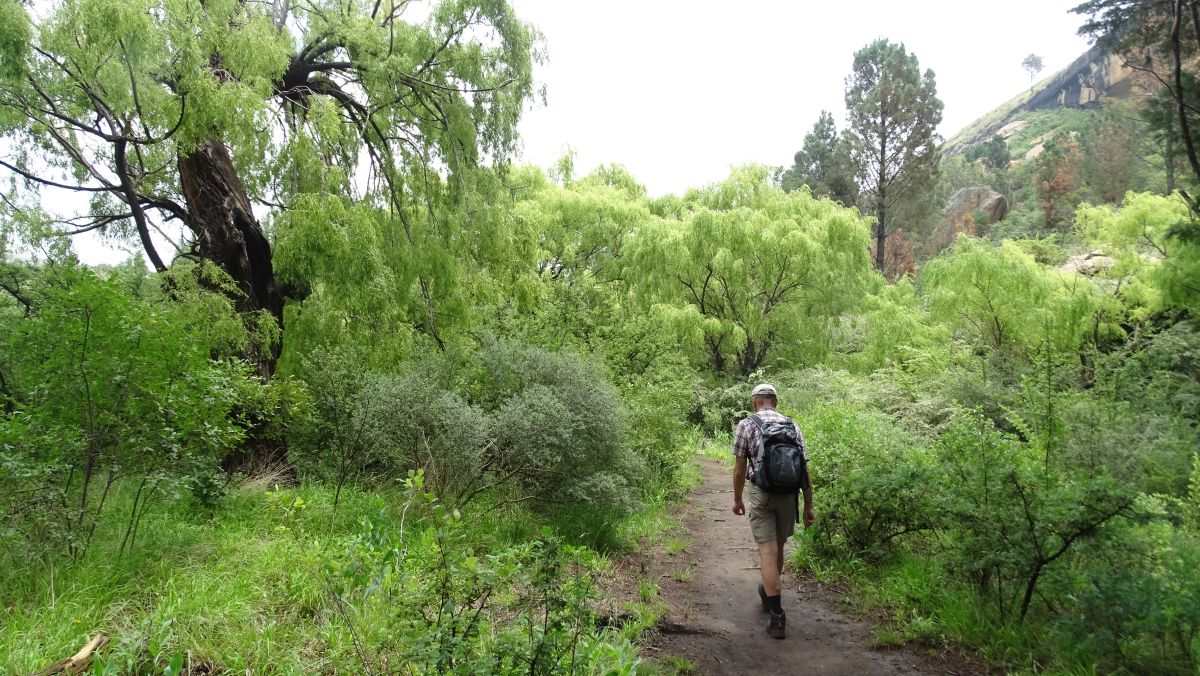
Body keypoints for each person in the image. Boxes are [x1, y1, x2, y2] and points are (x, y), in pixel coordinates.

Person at [731, 383, 815, 639]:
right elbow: (804, 471)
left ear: (755, 401)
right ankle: (770, 592)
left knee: (767, 550)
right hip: (789, 495)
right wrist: (809, 504)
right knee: (778, 547)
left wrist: (737, 499)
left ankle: (777, 616)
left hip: (762, 493)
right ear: (775, 402)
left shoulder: (747, 424)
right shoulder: (793, 426)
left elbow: (739, 469)